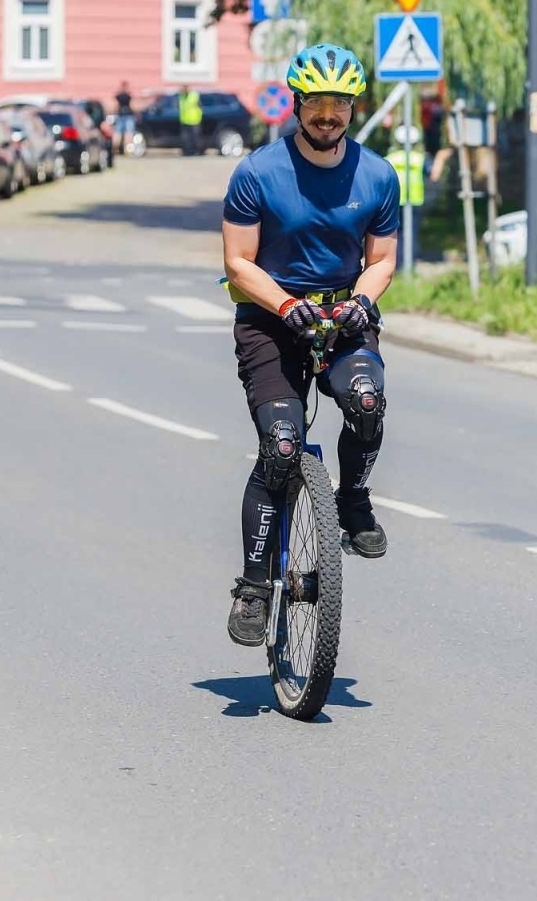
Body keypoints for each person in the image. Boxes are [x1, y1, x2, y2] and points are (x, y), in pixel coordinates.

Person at [219, 42, 401, 647]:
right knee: (281, 444)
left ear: (353, 107)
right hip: (272, 317)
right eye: (317, 102)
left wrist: (359, 304)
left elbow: (382, 262)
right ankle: (253, 585)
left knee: (368, 404)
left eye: (340, 104)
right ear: (298, 104)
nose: (328, 115)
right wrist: (290, 306)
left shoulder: (377, 175)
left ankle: (351, 499)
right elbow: (238, 263)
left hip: (342, 317)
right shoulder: (258, 173)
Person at [386, 124, 426, 263]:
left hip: (394, 200)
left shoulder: (390, 158)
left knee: (393, 233)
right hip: (414, 199)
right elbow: (433, 174)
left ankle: (396, 261)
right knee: (411, 232)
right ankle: (409, 261)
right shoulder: (420, 158)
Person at [178, 86, 203, 156]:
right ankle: (187, 152)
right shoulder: (181, 97)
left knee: (196, 139)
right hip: (185, 121)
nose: (184, 90)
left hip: (194, 120)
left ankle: (197, 152)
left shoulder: (194, 95)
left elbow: (200, 106)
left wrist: (199, 116)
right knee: (186, 139)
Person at [113, 81, 134, 154]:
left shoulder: (118, 96)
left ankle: (116, 149)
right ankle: (127, 149)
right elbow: (131, 106)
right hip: (128, 115)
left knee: (118, 133)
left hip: (121, 115)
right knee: (128, 133)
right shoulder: (128, 96)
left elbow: (116, 106)